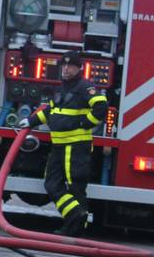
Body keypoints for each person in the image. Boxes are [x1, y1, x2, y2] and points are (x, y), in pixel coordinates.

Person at [17, 50, 108, 236]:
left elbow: (101, 107)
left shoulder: (85, 87)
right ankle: (76, 215)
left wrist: (85, 123)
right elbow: (50, 111)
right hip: (59, 147)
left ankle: (74, 228)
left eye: (70, 66)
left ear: (79, 68)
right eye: (64, 65)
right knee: (51, 184)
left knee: (75, 186)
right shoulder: (62, 88)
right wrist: (31, 121)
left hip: (76, 147)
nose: (66, 69)